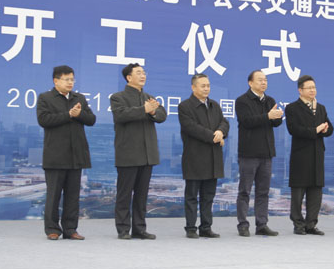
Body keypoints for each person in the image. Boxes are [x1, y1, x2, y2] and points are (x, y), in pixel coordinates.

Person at [36, 65, 96, 240]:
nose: (70, 82)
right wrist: (68, 114)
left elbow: (91, 119)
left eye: (72, 79)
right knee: (53, 195)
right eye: (66, 79)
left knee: (72, 196)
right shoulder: (46, 98)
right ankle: (52, 229)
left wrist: (79, 114)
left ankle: (70, 229)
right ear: (56, 81)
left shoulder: (79, 98)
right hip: (55, 155)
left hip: (76, 155)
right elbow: (44, 120)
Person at [110, 63, 167, 240]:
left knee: (142, 196)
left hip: (148, 154)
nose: (143, 76)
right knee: (124, 194)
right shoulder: (118, 98)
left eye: (144, 72)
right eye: (138, 73)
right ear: (129, 77)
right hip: (128, 154)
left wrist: (153, 112)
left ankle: (139, 228)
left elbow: (162, 115)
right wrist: (144, 110)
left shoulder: (149, 97)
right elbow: (121, 115)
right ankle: (123, 229)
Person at [178, 73, 230, 238]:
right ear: (193, 87)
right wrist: (214, 136)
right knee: (192, 196)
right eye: (203, 86)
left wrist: (221, 132)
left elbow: (224, 122)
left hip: (213, 158)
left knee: (208, 196)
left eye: (208, 85)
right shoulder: (185, 106)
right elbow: (191, 128)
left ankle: (206, 227)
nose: (206, 88)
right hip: (194, 158)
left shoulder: (214, 105)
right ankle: (191, 228)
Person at [235, 70, 283, 237]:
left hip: (266, 153)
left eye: (265, 80)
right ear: (250, 83)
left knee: (263, 192)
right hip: (248, 154)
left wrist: (277, 117)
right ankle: (243, 224)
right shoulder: (242, 101)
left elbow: (275, 123)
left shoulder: (270, 101)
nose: (264, 83)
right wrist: (268, 116)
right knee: (245, 191)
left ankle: (262, 224)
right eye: (260, 80)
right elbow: (247, 121)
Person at [285, 75, 334, 235]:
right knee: (298, 193)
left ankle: (311, 224)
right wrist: (315, 130)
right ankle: (298, 224)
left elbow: (330, 127)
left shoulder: (321, 108)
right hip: (301, 155)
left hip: (317, 154)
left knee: (316, 191)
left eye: (314, 87)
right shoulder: (292, 108)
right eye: (309, 88)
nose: (313, 90)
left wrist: (326, 129)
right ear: (300, 90)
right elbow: (294, 130)